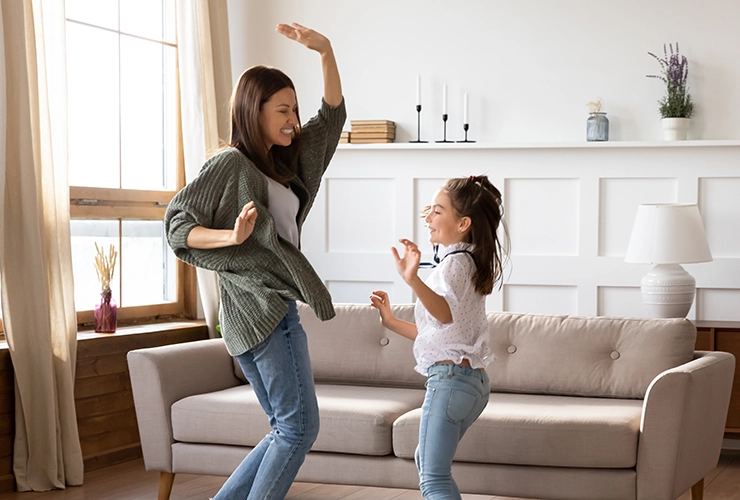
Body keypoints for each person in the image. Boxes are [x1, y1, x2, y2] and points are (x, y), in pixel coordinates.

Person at [164, 23, 345, 500]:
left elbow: (330, 120)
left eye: (294, 109)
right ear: (253, 110)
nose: (292, 119)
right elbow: (178, 226)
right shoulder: (230, 165)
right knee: (299, 428)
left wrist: (325, 51)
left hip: (256, 315)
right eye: (282, 110)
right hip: (263, 311)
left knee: (285, 429)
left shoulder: (283, 164)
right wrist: (232, 235)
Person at [369, 175, 508, 500]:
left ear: (463, 224)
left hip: (450, 383)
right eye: (429, 210)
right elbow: (445, 333)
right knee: (427, 462)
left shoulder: (454, 264)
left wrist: (412, 279)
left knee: (433, 478)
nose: (429, 218)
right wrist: (391, 322)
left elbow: (443, 314)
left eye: (437, 211)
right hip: (471, 384)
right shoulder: (469, 260)